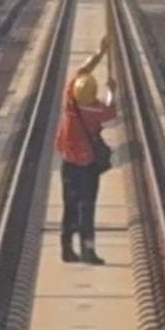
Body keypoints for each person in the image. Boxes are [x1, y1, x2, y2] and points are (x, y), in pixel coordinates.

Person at [53, 34, 115, 264]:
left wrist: (99, 53)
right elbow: (112, 110)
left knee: (69, 205)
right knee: (86, 207)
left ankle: (66, 249)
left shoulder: (70, 97)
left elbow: (82, 69)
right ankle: (88, 250)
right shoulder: (94, 110)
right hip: (87, 166)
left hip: (67, 162)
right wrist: (112, 90)